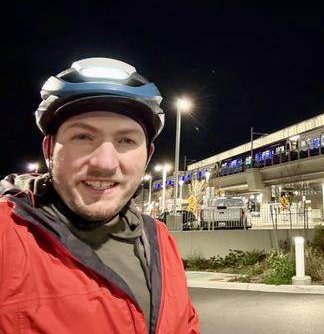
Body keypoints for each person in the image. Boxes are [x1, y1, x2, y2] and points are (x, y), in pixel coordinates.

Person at [0, 57, 200, 333]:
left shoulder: (160, 239)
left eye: (126, 140)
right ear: (49, 151)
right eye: (83, 137)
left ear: (147, 157)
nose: (105, 163)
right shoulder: (7, 236)